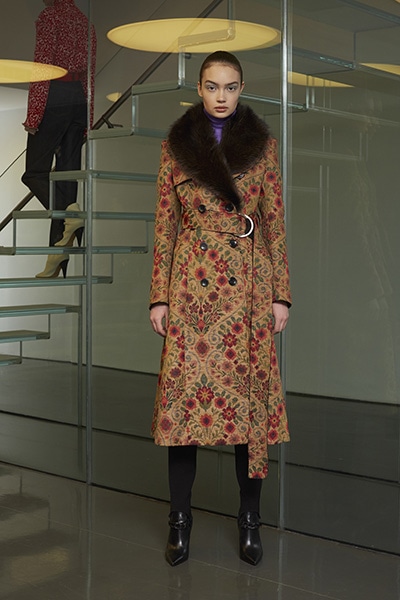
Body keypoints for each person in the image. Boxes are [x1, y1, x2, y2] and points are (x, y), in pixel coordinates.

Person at [149, 50, 291, 567]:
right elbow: (165, 224)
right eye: (213, 86)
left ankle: (250, 521)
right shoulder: (175, 147)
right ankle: (179, 521)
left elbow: (275, 223)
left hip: (247, 288)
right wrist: (159, 296)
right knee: (184, 410)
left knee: (247, 410)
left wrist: (280, 294)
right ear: (199, 88)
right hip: (191, 287)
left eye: (231, 87)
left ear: (241, 88)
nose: (222, 96)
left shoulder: (263, 147)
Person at [21, 0, 96, 278]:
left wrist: (33, 116)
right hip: (78, 99)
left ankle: (70, 216)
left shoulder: (50, 16)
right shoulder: (85, 22)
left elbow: (41, 69)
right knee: (65, 179)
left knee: (34, 173)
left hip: (55, 96)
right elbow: (90, 75)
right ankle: (57, 256)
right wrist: (88, 117)